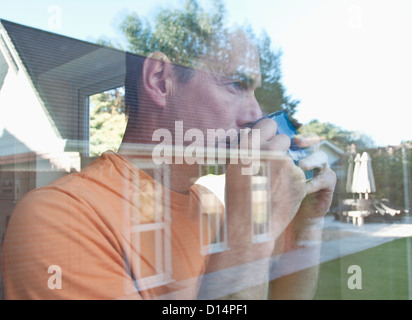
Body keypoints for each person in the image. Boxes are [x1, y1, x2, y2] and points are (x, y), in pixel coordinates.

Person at [1, 28, 336, 300]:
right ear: (160, 79)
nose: (255, 114)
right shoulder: (59, 219)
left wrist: (306, 224)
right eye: (237, 84)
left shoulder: (213, 206)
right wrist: (245, 234)